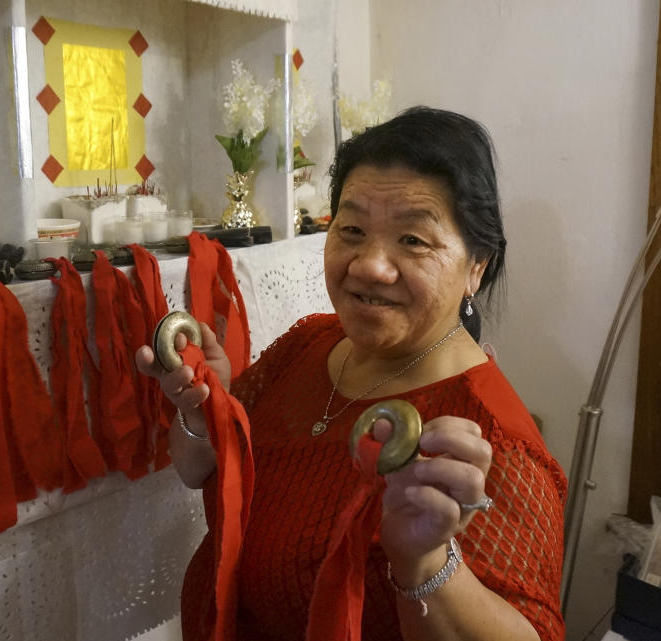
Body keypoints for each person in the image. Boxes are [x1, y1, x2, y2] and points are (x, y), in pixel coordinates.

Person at [136, 106, 565, 641]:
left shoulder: (492, 441)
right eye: (353, 229)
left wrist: (427, 564)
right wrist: (203, 409)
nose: (369, 265)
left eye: (413, 240)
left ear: (475, 265)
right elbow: (196, 466)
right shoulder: (308, 345)